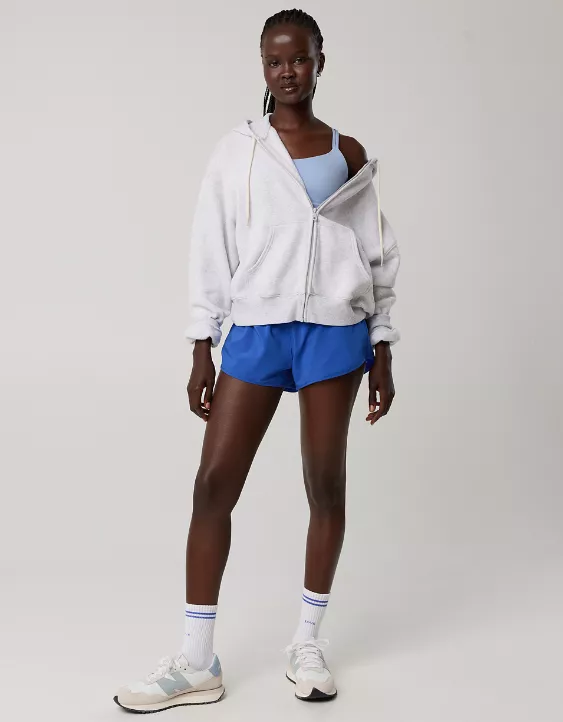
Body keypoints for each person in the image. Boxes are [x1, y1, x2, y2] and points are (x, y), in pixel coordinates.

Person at [114, 8, 400, 713]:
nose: (287, 72)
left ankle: (306, 643)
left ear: (320, 61)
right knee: (214, 484)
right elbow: (209, 244)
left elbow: (376, 253)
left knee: (324, 485)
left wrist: (383, 346)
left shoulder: (348, 151)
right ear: (262, 68)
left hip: (335, 333)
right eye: (275, 61)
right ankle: (196, 661)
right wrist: (201, 343)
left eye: (299, 58)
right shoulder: (238, 151)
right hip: (259, 330)